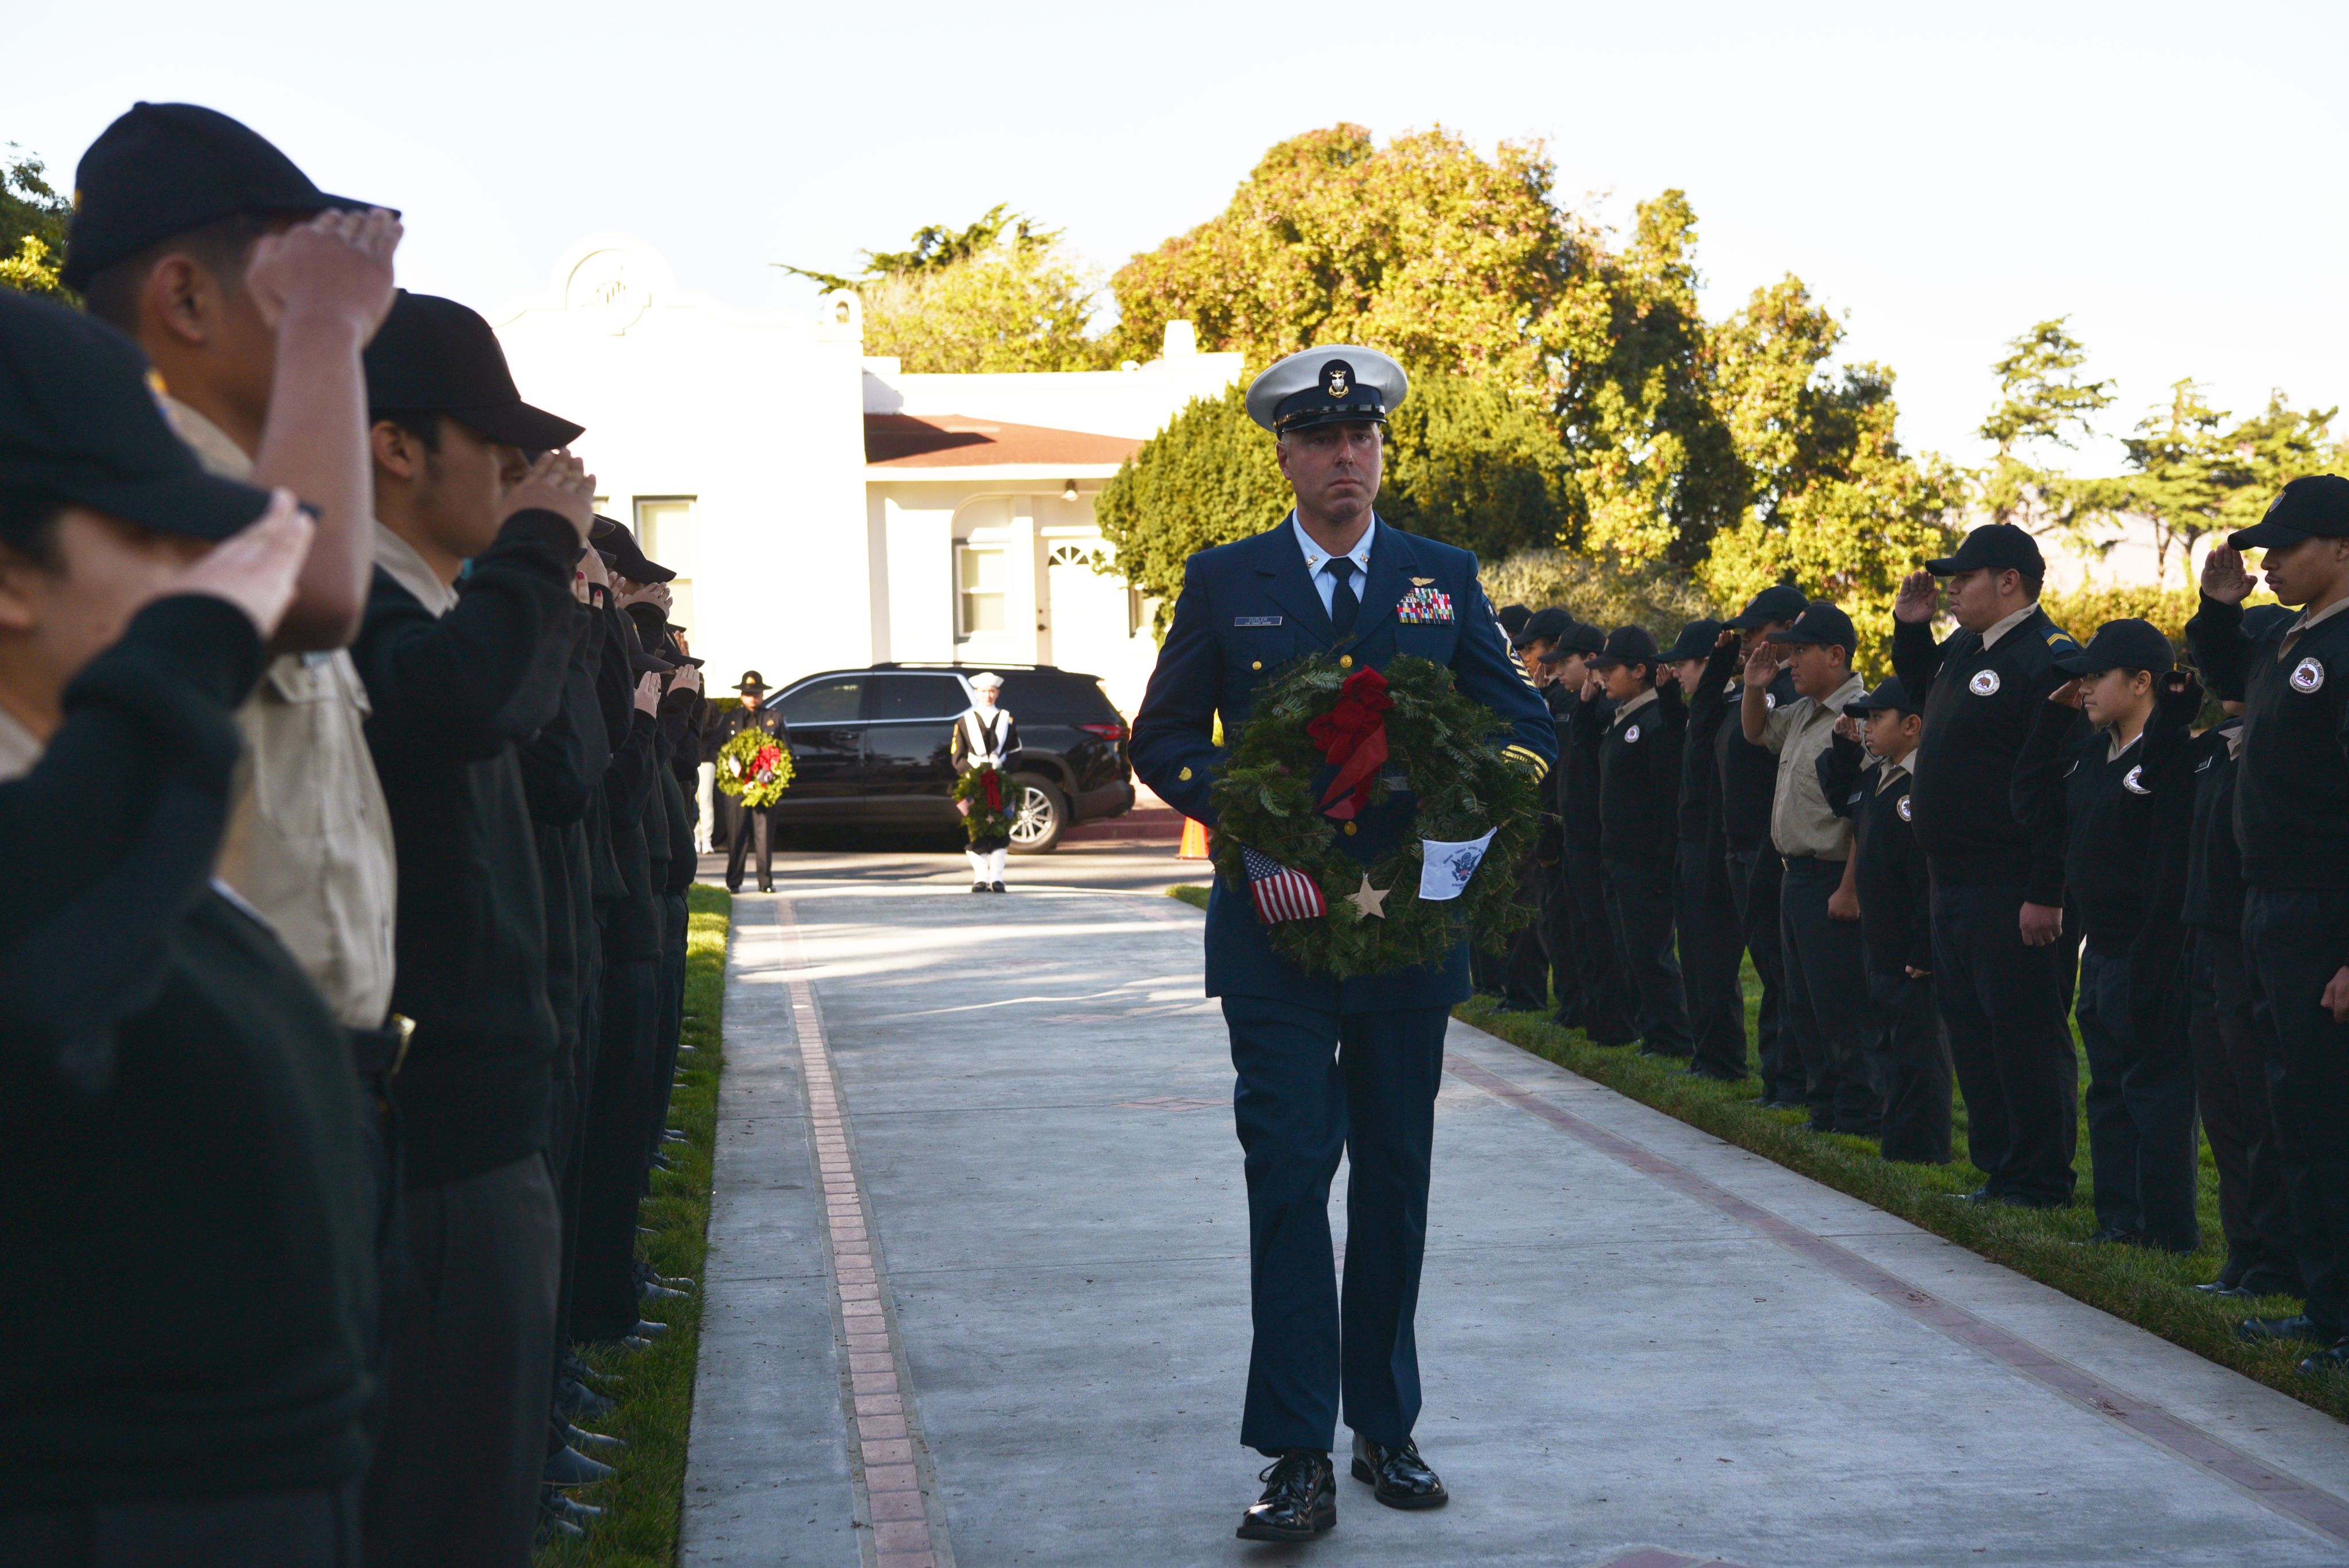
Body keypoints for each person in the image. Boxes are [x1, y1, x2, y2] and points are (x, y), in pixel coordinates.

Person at [1129, 345, 1554, 1541]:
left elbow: (1522, 723)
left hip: (1403, 931)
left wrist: (1471, 819)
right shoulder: (1227, 577)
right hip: (1276, 927)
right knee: (1286, 1179)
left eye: (1360, 436)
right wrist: (1254, 825)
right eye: (1320, 439)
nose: (1344, 456)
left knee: (1395, 1182)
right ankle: (1295, 1450)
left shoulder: (1438, 575)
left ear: (1378, 450)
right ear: (1284, 455)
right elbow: (1163, 737)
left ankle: (1385, 1426)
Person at [0, 288, 374, 1567]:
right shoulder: (92, 807)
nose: (209, 581)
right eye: (159, 540)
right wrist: (178, 663)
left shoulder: (100, 789)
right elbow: (46, 980)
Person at [67, 101, 412, 1078]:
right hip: (207, 1084)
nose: (340, 310)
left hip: (311, 1072)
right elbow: (316, 591)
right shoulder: (129, 494)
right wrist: (326, 327)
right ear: (185, 297)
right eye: (294, 278)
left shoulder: (256, 492)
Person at [352, 289, 592, 1566]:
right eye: (497, 448)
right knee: (444, 1511)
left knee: (475, 1499)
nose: (520, 474)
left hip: (483, 1126)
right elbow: (469, 702)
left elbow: (532, 722)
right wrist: (540, 547)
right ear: (394, 445)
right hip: (435, 1142)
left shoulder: (437, 607)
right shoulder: (357, 605)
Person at [2187, 474, 2349, 1372]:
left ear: (2344, 547)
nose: (2271, 560)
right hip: (2268, 904)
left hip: (2324, 909)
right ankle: (2324, 1308)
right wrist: (2218, 610)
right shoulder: (2289, 636)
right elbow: (2224, 676)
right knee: (2297, 1114)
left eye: (2288, 546)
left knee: (2332, 1115)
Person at [1892, 524, 2081, 1208]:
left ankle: (2040, 1177)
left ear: (2008, 581)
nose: (1950, 589)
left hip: (2011, 884)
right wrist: (1911, 629)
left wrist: (2045, 890)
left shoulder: (2049, 659)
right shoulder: (1966, 649)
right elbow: (1919, 687)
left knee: (2023, 1033)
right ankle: (2001, 1168)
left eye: (1963, 578)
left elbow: (2058, 785)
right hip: (1953, 881)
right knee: (1972, 1031)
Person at [2012, 619, 2202, 1252]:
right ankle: (2119, 1219)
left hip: (2153, 949)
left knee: (2157, 1091)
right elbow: (2031, 804)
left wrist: (2154, 961)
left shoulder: (2169, 755)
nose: (2085, 688)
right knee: (2110, 1090)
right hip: (2100, 951)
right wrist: (2051, 719)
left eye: (2097, 676)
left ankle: (2166, 1229)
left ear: (2142, 681)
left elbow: (2171, 864)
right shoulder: (2091, 756)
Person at [2178, 604, 2299, 1298]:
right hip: (2206, 942)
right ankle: (2244, 1250)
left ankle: (2278, 1259)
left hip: (2250, 941)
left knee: (2262, 1111)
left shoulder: (2279, 746)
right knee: (2223, 1111)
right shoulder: (2213, 747)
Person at [1743, 600, 1876, 1134]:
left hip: (1832, 877)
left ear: (1836, 655)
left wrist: (1850, 888)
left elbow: (1866, 812)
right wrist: (1755, 688)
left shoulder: (1861, 716)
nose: (1790, 663)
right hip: (1795, 875)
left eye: (1801, 652)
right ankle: (1825, 1107)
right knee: (1804, 1000)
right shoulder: (1804, 712)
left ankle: (1858, 1112)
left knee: (1840, 1002)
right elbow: (1756, 732)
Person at [1821, 677, 1950, 1163]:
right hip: (1879, 944)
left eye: (1877, 718)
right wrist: (1843, 749)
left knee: (1921, 1053)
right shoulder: (1878, 776)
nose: (1867, 727)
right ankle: (1896, 1143)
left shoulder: (1925, 782)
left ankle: (1923, 1150)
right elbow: (1842, 801)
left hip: (1912, 952)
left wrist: (1925, 945)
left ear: (1912, 725)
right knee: (1888, 1048)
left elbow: (1927, 875)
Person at [1574, 624, 1694, 1059]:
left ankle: (1673, 1037)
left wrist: (1663, 864)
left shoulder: (1656, 720)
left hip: (1644, 861)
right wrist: (1586, 707)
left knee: (1650, 953)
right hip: (1617, 857)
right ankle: (1652, 1033)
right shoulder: (1620, 716)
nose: (1602, 676)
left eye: (1612, 669)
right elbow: (1583, 755)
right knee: (1629, 951)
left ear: (1640, 670)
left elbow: (1666, 796)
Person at [1538, 621, 1629, 1039]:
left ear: (1590, 661)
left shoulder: (1606, 709)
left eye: (1565, 662)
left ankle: (1612, 1021)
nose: (1557, 671)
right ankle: (1586, 1011)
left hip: (1597, 840)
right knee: (1576, 931)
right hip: (1572, 836)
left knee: (1601, 934)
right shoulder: (1575, 704)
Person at [1668, 617, 1747, 1081]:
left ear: (1709, 662)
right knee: (1694, 958)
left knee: (1715, 960)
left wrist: (1722, 658)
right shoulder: (1702, 709)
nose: (1676, 672)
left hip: (1714, 848)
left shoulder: (1727, 706)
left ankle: (1724, 1059)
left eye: (1684, 664)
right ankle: (1705, 1052)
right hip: (1690, 846)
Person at [1500, 606, 1571, 1011]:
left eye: (1531, 649)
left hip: (1552, 825)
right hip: (1530, 820)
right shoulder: (1540, 695)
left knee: (1540, 915)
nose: (1524, 657)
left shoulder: (1564, 700)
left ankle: (1531, 995)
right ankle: (1520, 993)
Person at [712, 670, 787, 892]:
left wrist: (769, 773)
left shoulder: (774, 718)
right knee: (736, 835)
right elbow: (715, 748)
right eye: (748, 693)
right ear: (741, 695)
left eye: (756, 693)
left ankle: (765, 882)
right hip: (737, 787)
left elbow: (785, 750)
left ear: (762, 694)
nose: (752, 697)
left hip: (765, 785)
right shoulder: (731, 718)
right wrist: (730, 764)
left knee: (764, 837)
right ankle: (734, 882)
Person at [950, 670, 1022, 891]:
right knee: (977, 828)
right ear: (976, 693)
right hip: (975, 781)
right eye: (984, 691)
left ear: (998, 693)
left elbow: (1016, 751)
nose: (988, 695)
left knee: (1000, 827)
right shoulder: (965, 721)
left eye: (992, 691)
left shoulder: (1007, 720)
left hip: (999, 780)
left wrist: (1003, 771)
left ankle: (997, 878)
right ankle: (981, 878)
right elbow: (958, 756)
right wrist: (972, 774)